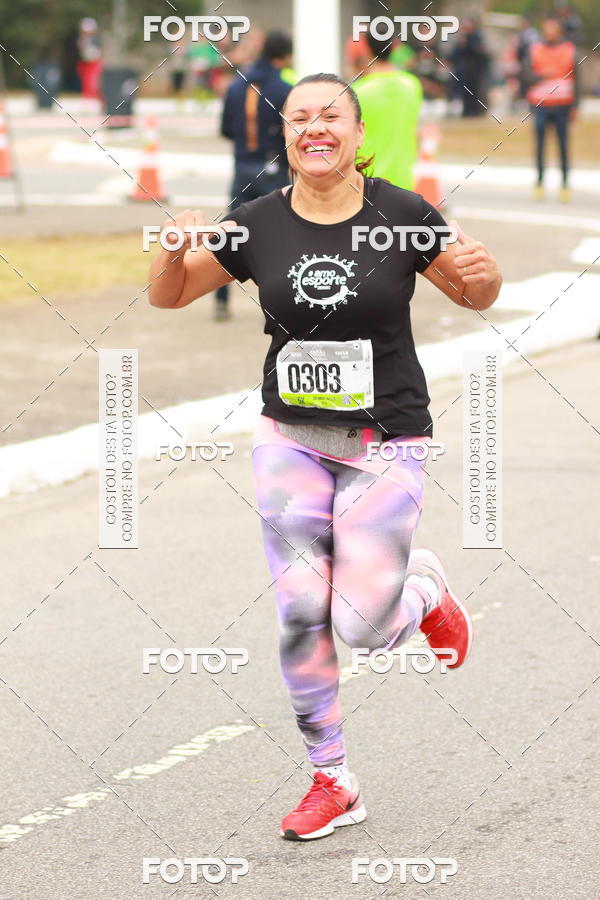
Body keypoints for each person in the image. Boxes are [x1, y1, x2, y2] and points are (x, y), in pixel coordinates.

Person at [148, 73, 501, 841]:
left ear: (355, 130)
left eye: (329, 116)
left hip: (386, 441)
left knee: (366, 627)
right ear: (285, 135)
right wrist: (171, 251)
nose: (314, 127)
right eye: (299, 117)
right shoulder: (256, 224)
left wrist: (487, 275)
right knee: (300, 612)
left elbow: (474, 293)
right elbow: (170, 296)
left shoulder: (403, 214)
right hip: (290, 438)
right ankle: (333, 779)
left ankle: (425, 594)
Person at [214, 30, 293, 321]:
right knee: (280, 237)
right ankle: (280, 305)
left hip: (242, 165)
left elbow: (225, 129)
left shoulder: (236, 86)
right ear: (285, 56)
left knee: (231, 234)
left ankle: (221, 299)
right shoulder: (284, 89)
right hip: (272, 166)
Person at [354, 31, 423, 190]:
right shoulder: (412, 85)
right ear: (394, 46)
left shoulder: (358, 91)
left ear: (366, 48)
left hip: (367, 179)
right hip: (404, 180)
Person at [524, 15, 578, 202]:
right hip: (540, 104)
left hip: (563, 105)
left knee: (563, 146)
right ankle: (539, 182)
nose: (550, 33)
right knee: (540, 146)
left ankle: (565, 184)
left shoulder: (569, 50)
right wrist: (540, 76)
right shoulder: (534, 49)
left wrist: (575, 106)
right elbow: (525, 75)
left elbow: (577, 79)